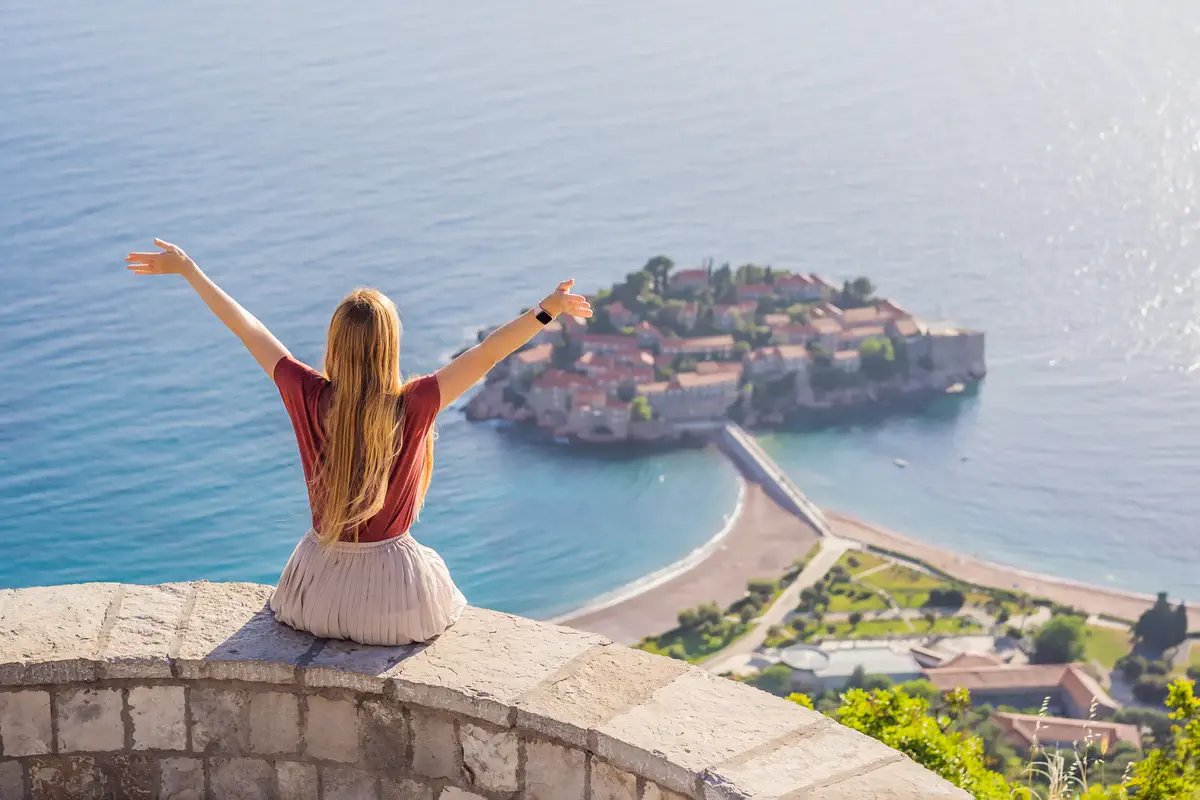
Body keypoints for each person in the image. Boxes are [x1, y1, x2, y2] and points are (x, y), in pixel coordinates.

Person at [125, 239, 592, 645]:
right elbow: (489, 352)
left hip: (314, 597)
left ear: (334, 344)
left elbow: (248, 328)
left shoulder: (306, 394)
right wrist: (547, 309)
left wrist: (189, 270)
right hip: (397, 603)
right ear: (390, 346)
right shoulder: (416, 403)